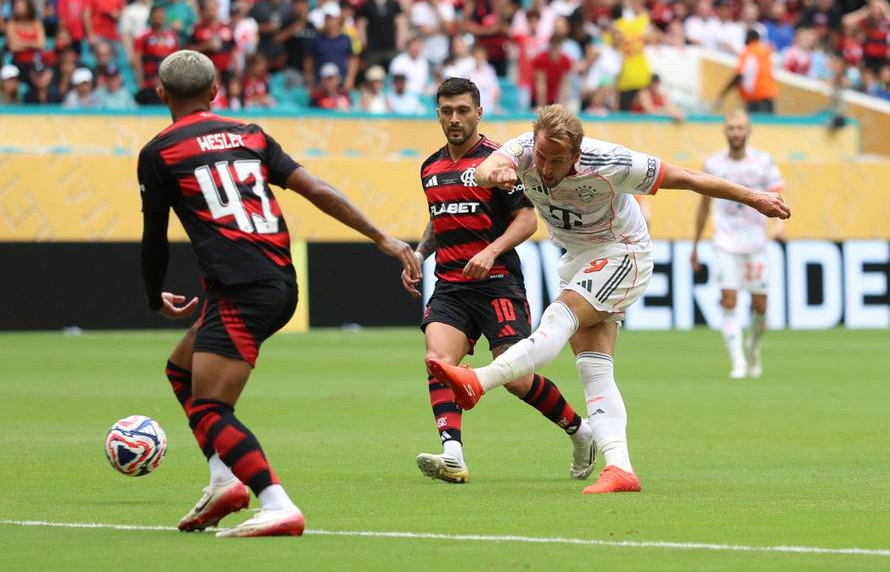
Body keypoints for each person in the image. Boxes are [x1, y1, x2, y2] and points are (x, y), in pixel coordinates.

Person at [426, 104, 790, 494]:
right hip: (578, 259)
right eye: (543, 158)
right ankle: (620, 467)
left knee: (558, 316)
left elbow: (686, 177)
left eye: (558, 161)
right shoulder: (525, 151)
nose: (546, 170)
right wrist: (491, 172)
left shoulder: (611, 162)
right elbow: (485, 168)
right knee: (593, 368)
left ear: (577, 156)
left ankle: (478, 382)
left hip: (623, 251)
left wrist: (754, 198)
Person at [138, 50, 419, 537]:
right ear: (215, 91)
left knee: (209, 408)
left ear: (162, 94)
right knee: (180, 369)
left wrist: (152, 295)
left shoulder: (159, 152)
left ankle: (276, 503)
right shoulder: (250, 134)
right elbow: (316, 189)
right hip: (276, 279)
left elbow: (154, 237)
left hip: (241, 289)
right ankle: (223, 481)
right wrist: (383, 237)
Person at [404, 78, 595, 484]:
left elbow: (527, 219)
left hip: (497, 284)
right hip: (451, 286)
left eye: (462, 110)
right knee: (438, 362)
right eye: (446, 111)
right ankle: (452, 452)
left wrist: (490, 251)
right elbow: (439, 220)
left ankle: (581, 431)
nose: (454, 119)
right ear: (437, 114)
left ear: (478, 113)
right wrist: (419, 254)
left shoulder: (498, 163)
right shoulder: (431, 167)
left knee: (517, 380)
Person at [691, 111, 784, 379]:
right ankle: (738, 362)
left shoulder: (763, 162)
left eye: (739, 128)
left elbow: (778, 195)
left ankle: (754, 348)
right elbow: (704, 206)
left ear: (749, 131)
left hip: (756, 243)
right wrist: (696, 245)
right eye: (731, 128)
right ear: (725, 132)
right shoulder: (713, 164)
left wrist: (779, 225)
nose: (735, 133)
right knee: (728, 299)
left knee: (760, 306)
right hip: (725, 243)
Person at [715, 30, 778, 114]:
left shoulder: (748, 53)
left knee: (754, 125)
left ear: (749, 38)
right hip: (769, 95)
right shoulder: (766, 52)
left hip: (755, 97)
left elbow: (739, 75)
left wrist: (723, 94)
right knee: (769, 125)